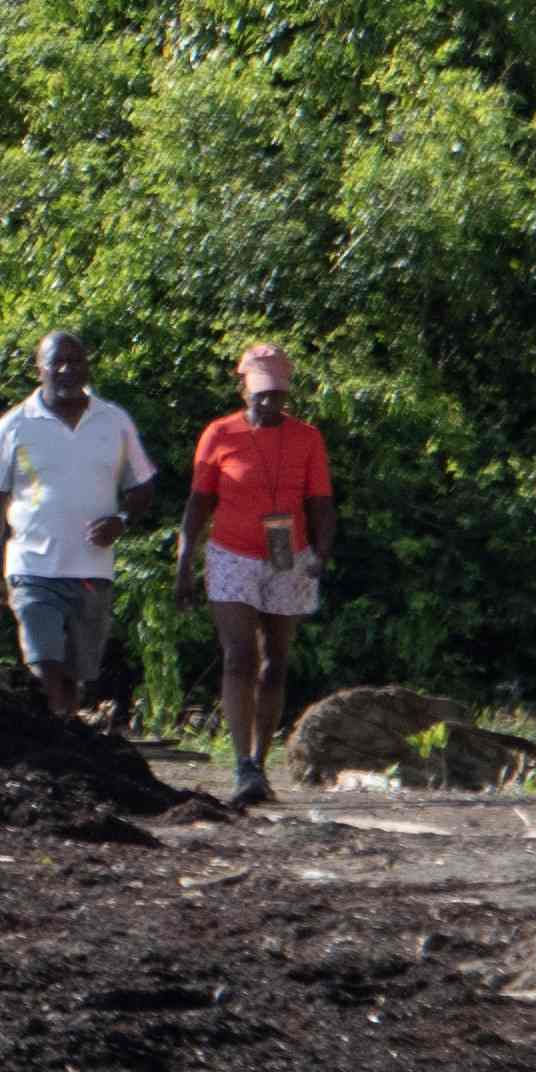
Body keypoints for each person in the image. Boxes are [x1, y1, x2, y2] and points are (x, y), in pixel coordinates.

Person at [0, 330, 155, 724]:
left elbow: (142, 486)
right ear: (40, 369)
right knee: (44, 665)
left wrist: (120, 521)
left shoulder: (114, 421)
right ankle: (55, 732)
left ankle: (65, 740)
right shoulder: (14, 426)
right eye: (57, 362)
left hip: (92, 569)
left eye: (76, 361)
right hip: (32, 567)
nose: (67, 369)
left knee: (76, 677)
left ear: (87, 367)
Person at [184, 337, 337, 804]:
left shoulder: (306, 437)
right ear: (244, 392)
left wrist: (320, 555)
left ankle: (260, 758)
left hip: (284, 552)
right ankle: (242, 765)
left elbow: (321, 504)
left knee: (275, 660)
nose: (269, 403)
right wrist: (183, 562)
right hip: (231, 552)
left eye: (277, 395)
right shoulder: (220, 435)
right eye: (260, 394)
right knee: (238, 656)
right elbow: (198, 503)